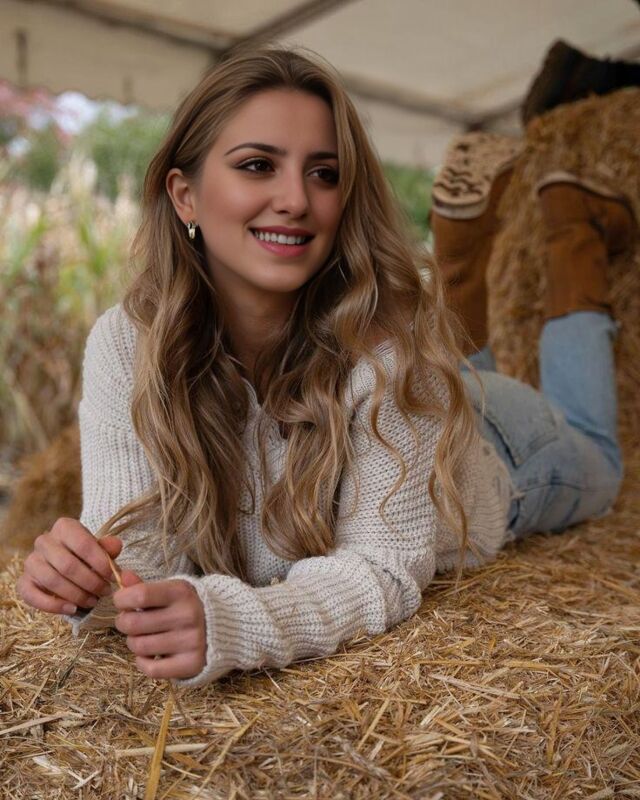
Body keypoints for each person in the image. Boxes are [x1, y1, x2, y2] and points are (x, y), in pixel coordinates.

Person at [15, 47, 633, 689]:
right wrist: (92, 585)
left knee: (602, 459)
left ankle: (574, 236)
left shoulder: (391, 343)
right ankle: (464, 251)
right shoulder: (125, 343)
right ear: (185, 195)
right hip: (426, 402)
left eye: (324, 174)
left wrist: (238, 621)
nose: (296, 199)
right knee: (438, 366)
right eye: (258, 165)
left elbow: (383, 566)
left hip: (501, 445)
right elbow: (140, 556)